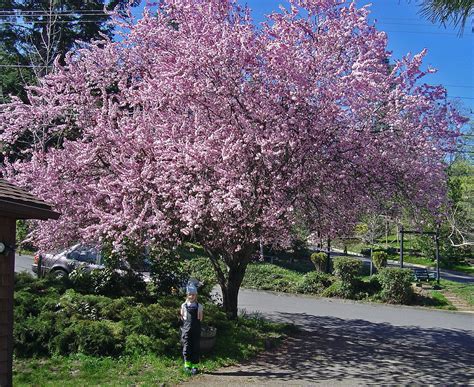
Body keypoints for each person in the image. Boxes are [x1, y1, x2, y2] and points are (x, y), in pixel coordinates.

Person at [180, 283, 203, 375]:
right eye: (190, 294)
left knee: (195, 347)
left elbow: (200, 318)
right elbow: (182, 317)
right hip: (186, 330)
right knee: (187, 346)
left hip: (196, 330)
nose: (191, 296)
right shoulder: (184, 306)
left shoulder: (199, 306)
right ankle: (187, 365)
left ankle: (195, 366)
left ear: (196, 295)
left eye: (193, 294)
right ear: (187, 295)